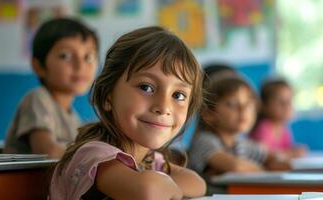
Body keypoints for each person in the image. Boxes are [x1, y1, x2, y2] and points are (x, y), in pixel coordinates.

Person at [50, 26, 206, 200]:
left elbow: (197, 183)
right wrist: (169, 187)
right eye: (146, 87)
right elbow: (147, 191)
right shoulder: (94, 155)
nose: (163, 106)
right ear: (108, 96)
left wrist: (168, 186)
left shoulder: (148, 159)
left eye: (178, 95)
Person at [4, 18, 99, 158]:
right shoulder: (37, 98)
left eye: (88, 57)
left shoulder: (73, 117)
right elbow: (49, 152)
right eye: (65, 56)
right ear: (39, 66)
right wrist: (96, 155)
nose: (80, 65)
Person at [188, 68, 290, 194]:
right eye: (231, 104)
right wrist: (265, 169)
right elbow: (236, 166)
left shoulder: (241, 144)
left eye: (247, 104)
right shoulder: (204, 140)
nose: (243, 110)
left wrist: (274, 161)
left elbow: (274, 158)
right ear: (209, 113)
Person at [249, 79, 307, 159]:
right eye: (281, 102)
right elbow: (264, 155)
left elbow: (286, 150)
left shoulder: (284, 130)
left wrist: (295, 150)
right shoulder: (263, 128)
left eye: (289, 101)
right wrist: (291, 153)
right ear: (264, 105)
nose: (287, 107)